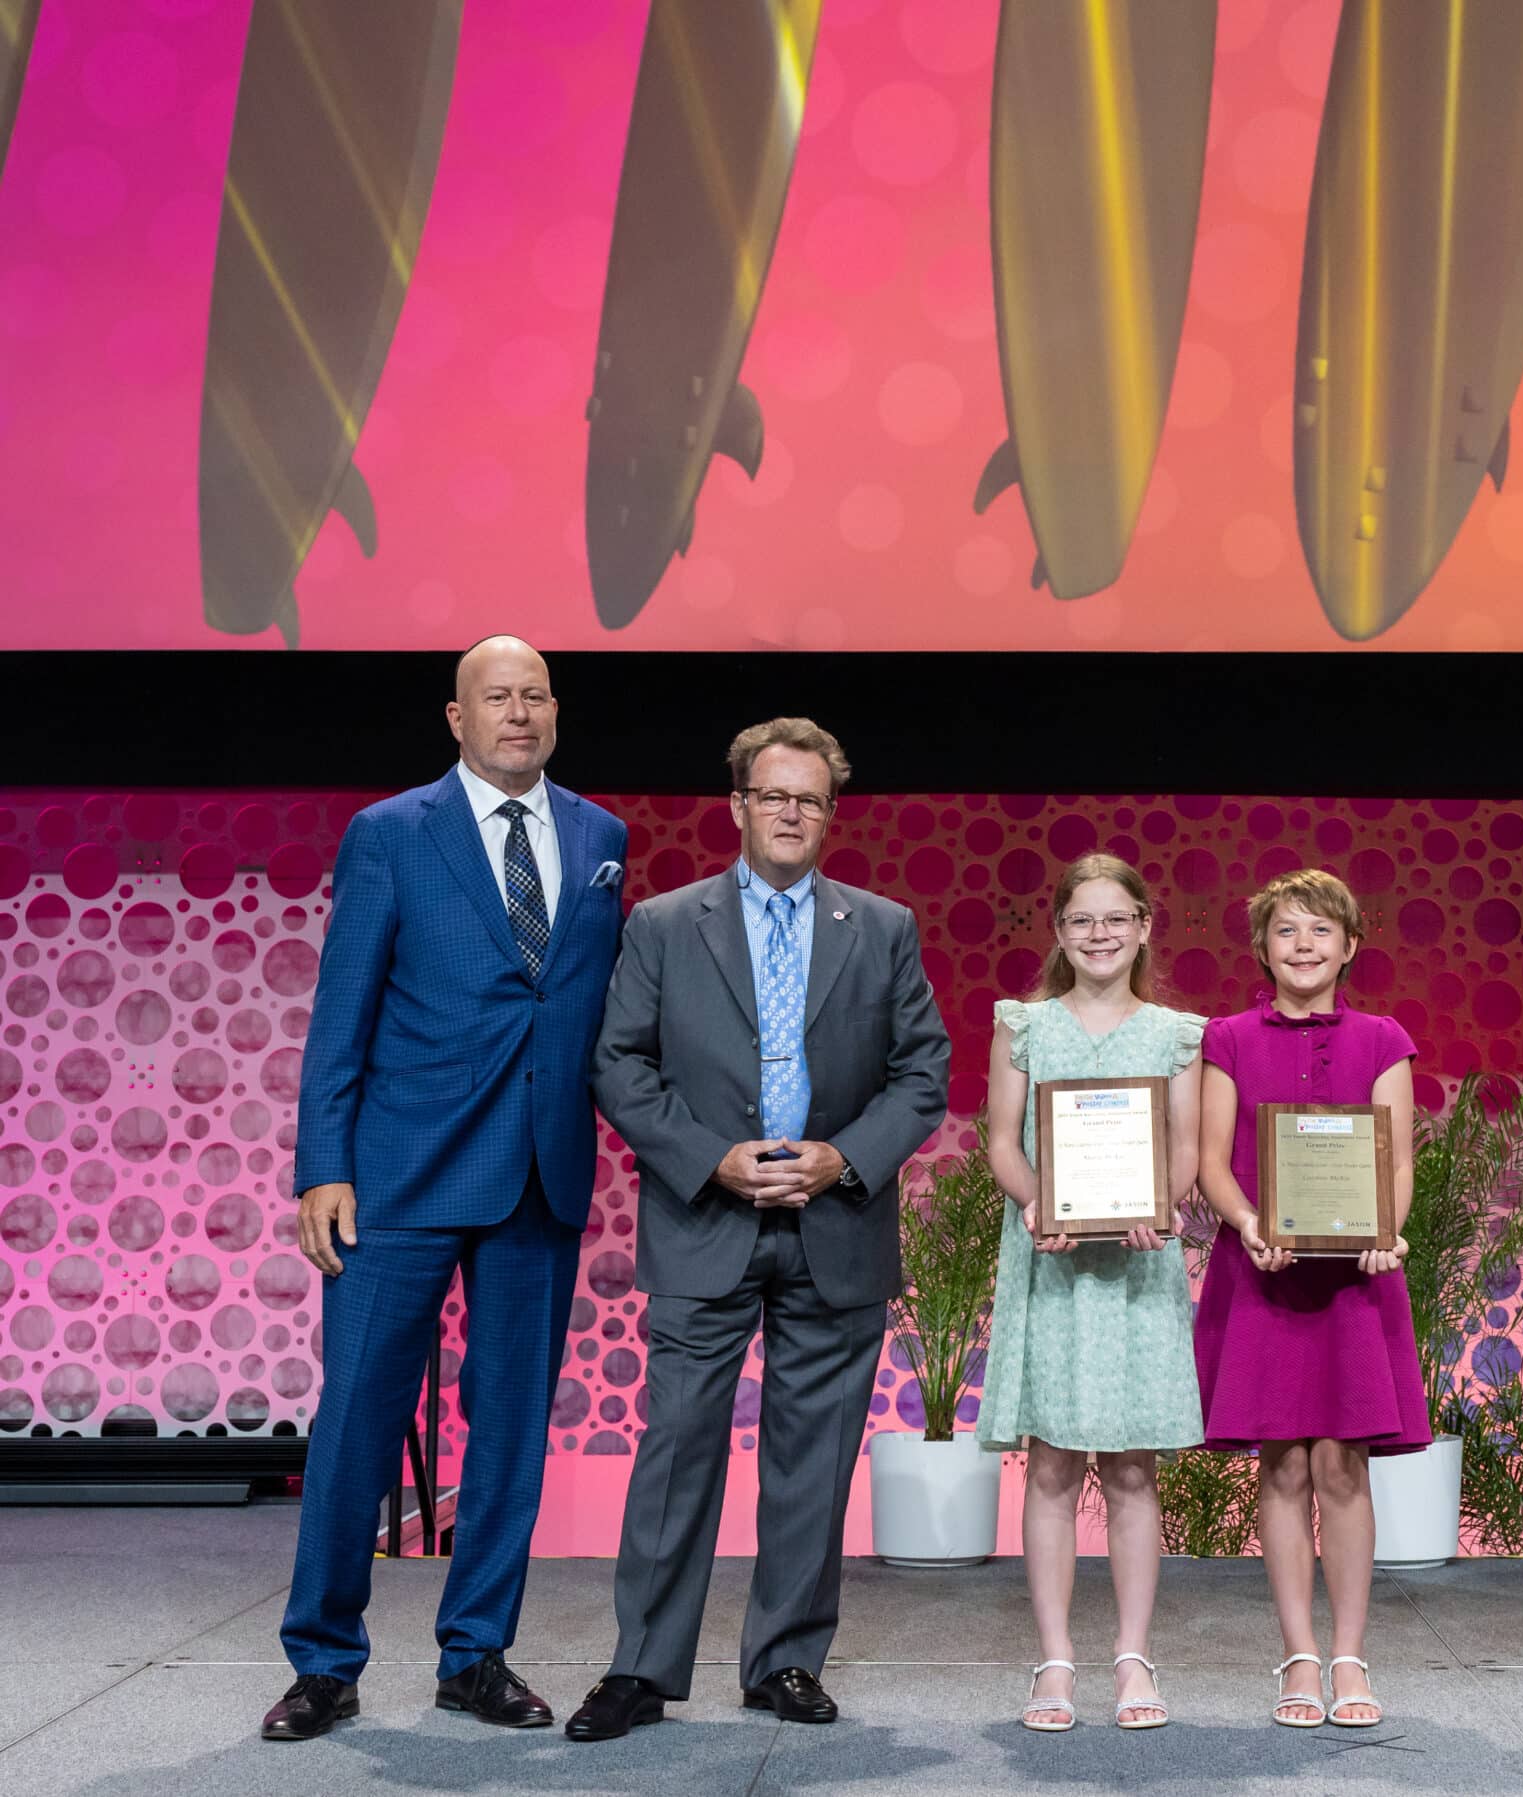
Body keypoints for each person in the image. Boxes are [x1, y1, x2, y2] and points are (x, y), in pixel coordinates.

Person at [266, 636, 627, 1742]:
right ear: (456, 718)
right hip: (399, 1176)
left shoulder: (601, 836)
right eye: (495, 698)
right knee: (360, 1423)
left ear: (554, 713)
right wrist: (322, 1163)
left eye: (534, 696)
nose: (517, 713)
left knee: (511, 1429)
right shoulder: (389, 834)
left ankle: (476, 1656)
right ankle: (325, 1661)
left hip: (538, 1171)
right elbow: (343, 1011)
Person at [565, 718, 950, 1742]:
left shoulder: (882, 926)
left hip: (836, 1223)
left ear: (831, 813)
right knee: (677, 1449)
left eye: (809, 799)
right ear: (736, 806)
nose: (790, 813)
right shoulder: (659, 923)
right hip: (704, 1218)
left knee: (812, 1462)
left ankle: (784, 1661)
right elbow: (619, 1065)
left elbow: (922, 1075)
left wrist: (844, 1157)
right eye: (772, 796)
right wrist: (707, 1158)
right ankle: (641, 1670)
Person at [1192, 869, 1428, 1729]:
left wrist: (1384, 1229)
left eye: (1321, 932)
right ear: (1263, 947)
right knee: (1283, 1461)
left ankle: (1352, 1654)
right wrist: (1251, 1221)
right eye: (1287, 931)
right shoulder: (1227, 1037)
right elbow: (1212, 1158)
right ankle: (1298, 1655)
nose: (1304, 945)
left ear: (1350, 946)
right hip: (1263, 1268)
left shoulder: (1383, 1037)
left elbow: (1396, 1161)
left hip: (1354, 1283)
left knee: (1343, 1463)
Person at [978, 854, 1207, 1732]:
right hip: (1052, 1259)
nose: (1100, 935)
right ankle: (1055, 1663)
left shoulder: (1176, 1033)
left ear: (1145, 926)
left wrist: (1164, 1201)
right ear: (1060, 932)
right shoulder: (1025, 1026)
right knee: (1049, 1464)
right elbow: (1002, 1138)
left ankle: (1133, 1656)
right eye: (1083, 921)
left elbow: (1184, 1146)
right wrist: (1039, 1199)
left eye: (1117, 919)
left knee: (1134, 1466)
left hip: (1139, 1271)